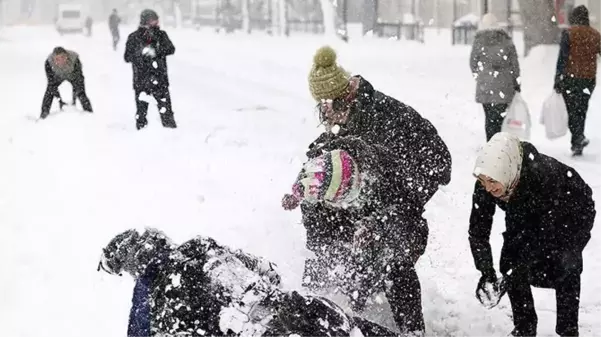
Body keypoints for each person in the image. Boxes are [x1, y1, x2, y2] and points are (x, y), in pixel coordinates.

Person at [282, 46, 452, 335]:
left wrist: (386, 212)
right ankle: (333, 310)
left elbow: (439, 165)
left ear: (345, 96)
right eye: (319, 104)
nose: (323, 112)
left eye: (326, 103)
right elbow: (318, 180)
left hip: (400, 196)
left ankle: (412, 330)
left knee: (391, 255)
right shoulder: (338, 133)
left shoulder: (386, 121)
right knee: (334, 254)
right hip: (361, 196)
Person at [98, 228, 402, 337]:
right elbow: (269, 271)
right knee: (352, 327)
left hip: (264, 331)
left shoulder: (160, 306)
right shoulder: (201, 245)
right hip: (302, 309)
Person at [468, 132, 595, 337]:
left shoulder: (540, 176)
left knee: (565, 264)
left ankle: (568, 329)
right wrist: (486, 272)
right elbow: (477, 232)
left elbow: (536, 235)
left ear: (506, 171)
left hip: (572, 210)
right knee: (510, 261)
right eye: (483, 181)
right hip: (531, 214)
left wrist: (516, 271)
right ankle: (525, 327)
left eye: (492, 181)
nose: (488, 187)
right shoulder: (488, 180)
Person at [554, 5, 601, 156]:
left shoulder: (569, 33)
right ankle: (578, 140)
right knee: (581, 109)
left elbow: (562, 58)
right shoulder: (595, 35)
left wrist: (558, 78)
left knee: (571, 110)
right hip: (588, 79)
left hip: (570, 78)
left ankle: (577, 138)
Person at [469, 13, 521, 141]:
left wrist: (480, 76)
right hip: (504, 84)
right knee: (500, 118)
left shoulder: (479, 40)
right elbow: (514, 64)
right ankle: (499, 143)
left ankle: (491, 143)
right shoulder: (506, 40)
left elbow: (473, 62)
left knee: (489, 117)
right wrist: (516, 82)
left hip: (485, 85)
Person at [124, 9, 177, 130]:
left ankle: (172, 136)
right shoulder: (134, 37)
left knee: (166, 111)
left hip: (160, 79)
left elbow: (171, 49)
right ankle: (141, 136)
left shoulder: (161, 35)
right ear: (146, 21)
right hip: (141, 81)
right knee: (141, 113)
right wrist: (141, 54)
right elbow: (127, 57)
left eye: (157, 19)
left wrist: (156, 51)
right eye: (154, 20)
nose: (157, 22)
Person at [40, 46, 93, 119]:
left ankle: (89, 114)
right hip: (57, 76)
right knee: (49, 92)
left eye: (62, 57)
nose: (61, 61)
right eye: (57, 59)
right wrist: (60, 101)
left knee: (81, 93)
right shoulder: (48, 63)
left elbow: (78, 80)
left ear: (67, 56)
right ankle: (43, 115)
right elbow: (52, 85)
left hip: (72, 75)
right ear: (53, 59)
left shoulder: (75, 60)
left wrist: (73, 100)